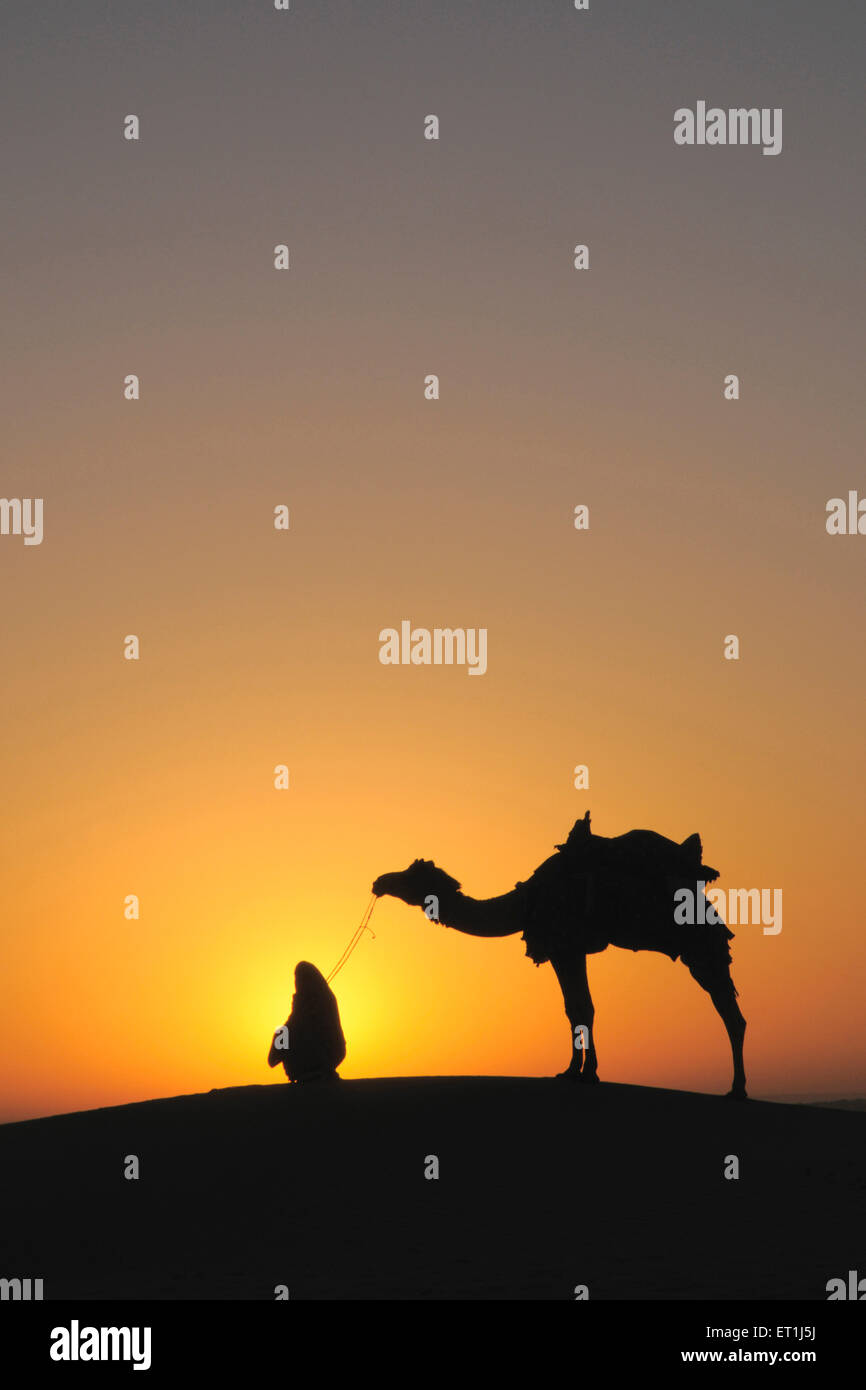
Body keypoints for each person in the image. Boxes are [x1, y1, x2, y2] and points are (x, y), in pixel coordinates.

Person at [267, 961, 346, 1083]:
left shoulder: (289, 1028)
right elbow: (273, 1059)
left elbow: (273, 1059)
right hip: (325, 1079)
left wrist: (294, 1017)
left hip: (312, 1083)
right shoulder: (290, 1026)